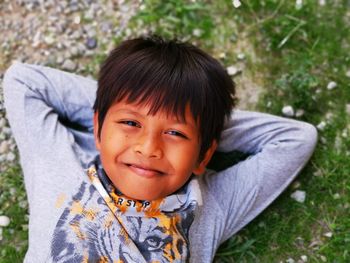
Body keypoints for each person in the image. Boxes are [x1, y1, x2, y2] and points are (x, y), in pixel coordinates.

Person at [3, 36, 318, 263]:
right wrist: (116, 104)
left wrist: (203, 119)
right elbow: (23, 81)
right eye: (130, 124)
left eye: (174, 133)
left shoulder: (212, 205)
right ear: (98, 127)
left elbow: (295, 139)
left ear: (205, 155)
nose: (148, 147)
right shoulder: (58, 162)